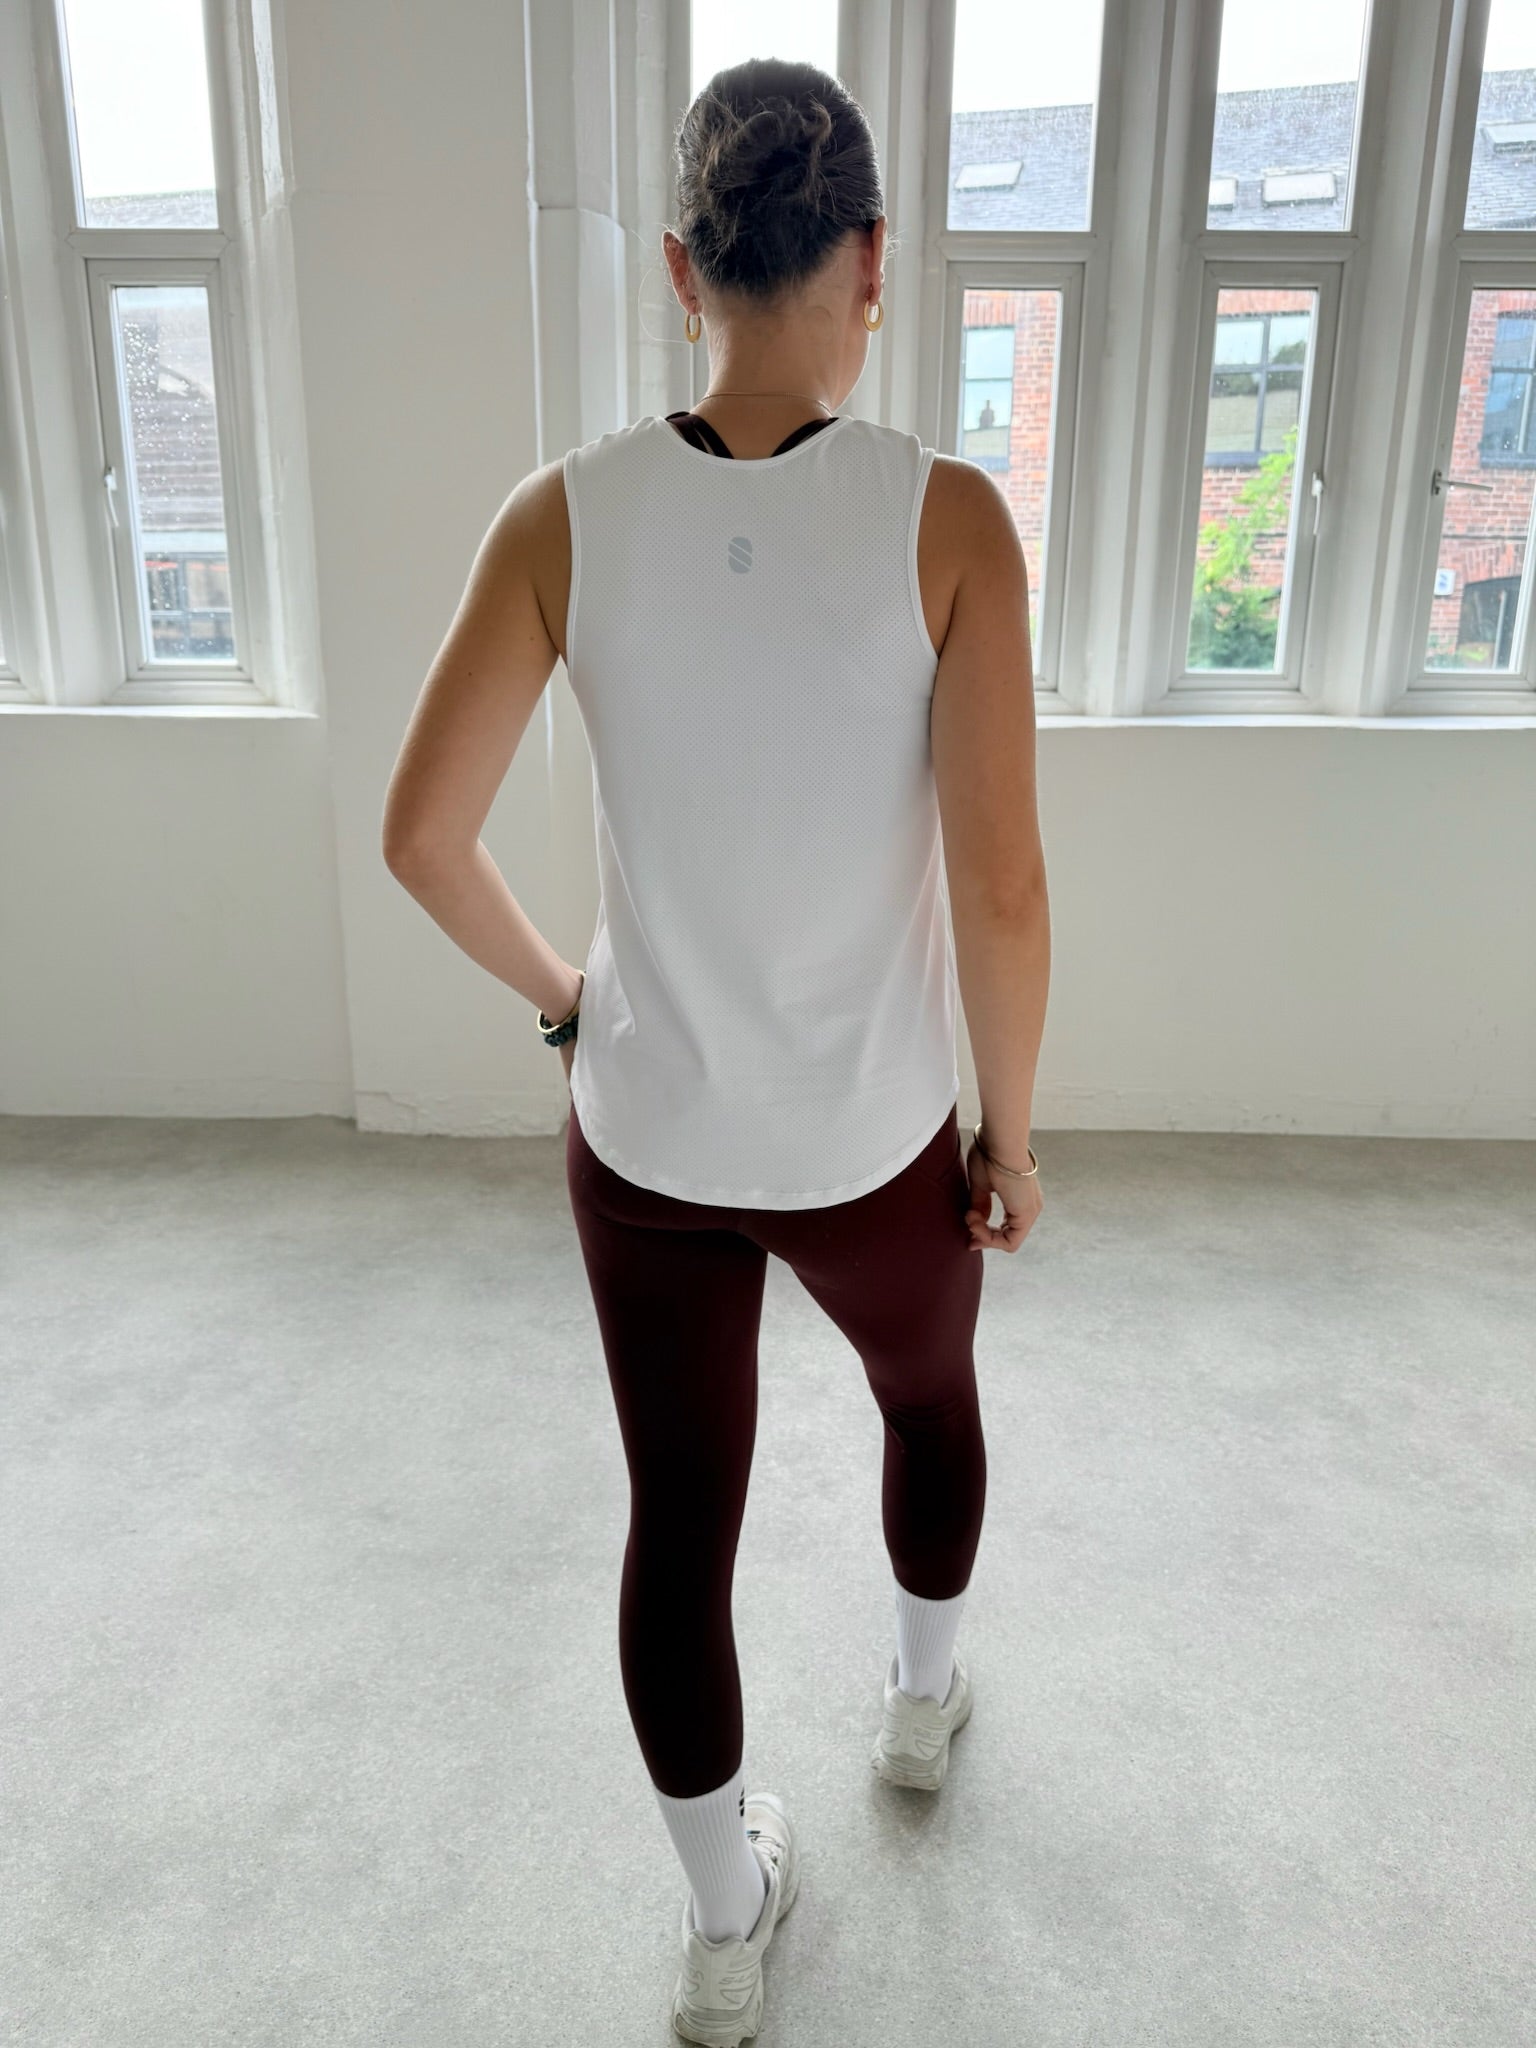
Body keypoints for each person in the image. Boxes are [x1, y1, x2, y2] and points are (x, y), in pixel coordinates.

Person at [382, 54, 1049, 2048]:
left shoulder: (559, 518)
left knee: (680, 1520)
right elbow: (1004, 887)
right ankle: (920, 1710)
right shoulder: (949, 519)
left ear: (684, 268)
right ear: (874, 263)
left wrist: (569, 1001)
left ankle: (725, 1928)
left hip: (651, 1138)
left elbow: (422, 839)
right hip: (871, 1144)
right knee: (930, 1403)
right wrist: (1009, 1140)